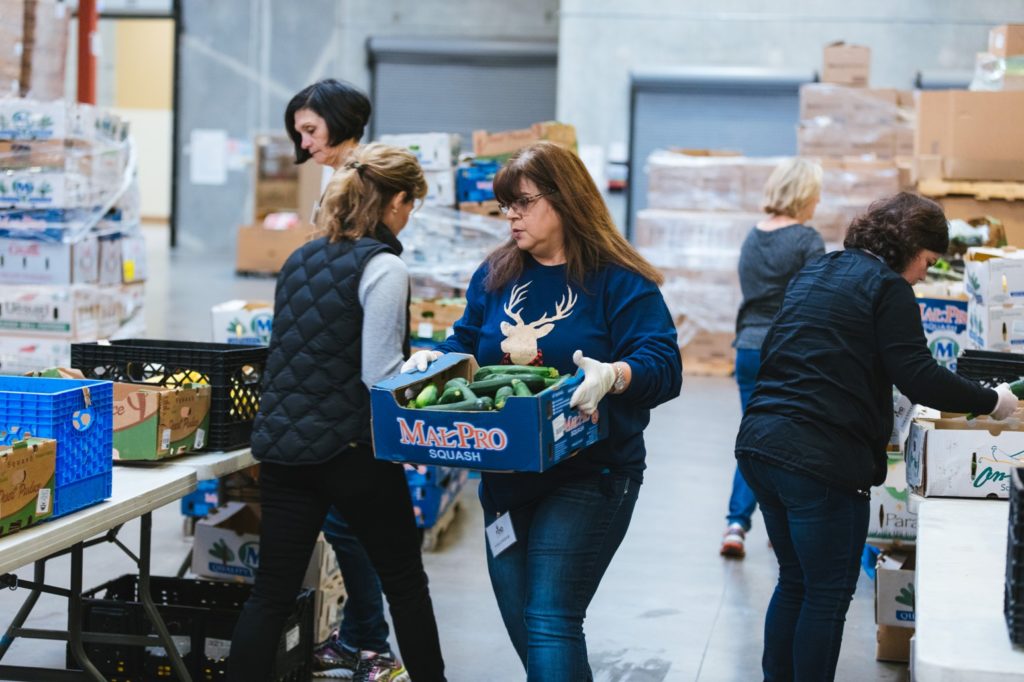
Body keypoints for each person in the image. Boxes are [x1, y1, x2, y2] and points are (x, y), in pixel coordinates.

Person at [402, 141, 682, 680]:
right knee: (526, 625)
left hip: (589, 473)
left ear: (566, 199)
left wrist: (613, 375)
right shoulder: (497, 274)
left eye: (523, 202)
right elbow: (467, 342)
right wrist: (434, 358)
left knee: (551, 617)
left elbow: (663, 363)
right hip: (505, 475)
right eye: (505, 205)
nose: (511, 216)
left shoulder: (617, 279)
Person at [734, 192, 1018, 681]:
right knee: (826, 593)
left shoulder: (817, 271)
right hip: (820, 459)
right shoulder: (888, 289)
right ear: (908, 246)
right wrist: (996, 401)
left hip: (761, 443)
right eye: (927, 261)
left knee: (796, 582)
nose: (926, 274)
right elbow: (919, 376)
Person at [228, 143, 445, 682]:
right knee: (405, 585)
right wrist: (424, 368)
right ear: (395, 201)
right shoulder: (384, 266)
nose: (409, 215)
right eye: (410, 203)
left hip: (284, 450)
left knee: (271, 595)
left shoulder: (301, 258)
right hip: (351, 452)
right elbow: (378, 375)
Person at [284, 78, 396, 677]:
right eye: (298, 133)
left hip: (347, 379)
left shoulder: (365, 185)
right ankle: (360, 640)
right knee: (348, 523)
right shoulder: (336, 180)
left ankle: (371, 644)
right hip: (336, 370)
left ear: (341, 121)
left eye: (310, 130)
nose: (304, 144)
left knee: (350, 525)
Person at [721, 158, 825, 559]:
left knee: (754, 439)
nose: (818, 201)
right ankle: (782, 524)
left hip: (748, 348)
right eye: (815, 192)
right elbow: (817, 301)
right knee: (792, 441)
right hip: (786, 351)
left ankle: (736, 524)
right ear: (803, 194)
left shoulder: (753, 236)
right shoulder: (806, 239)